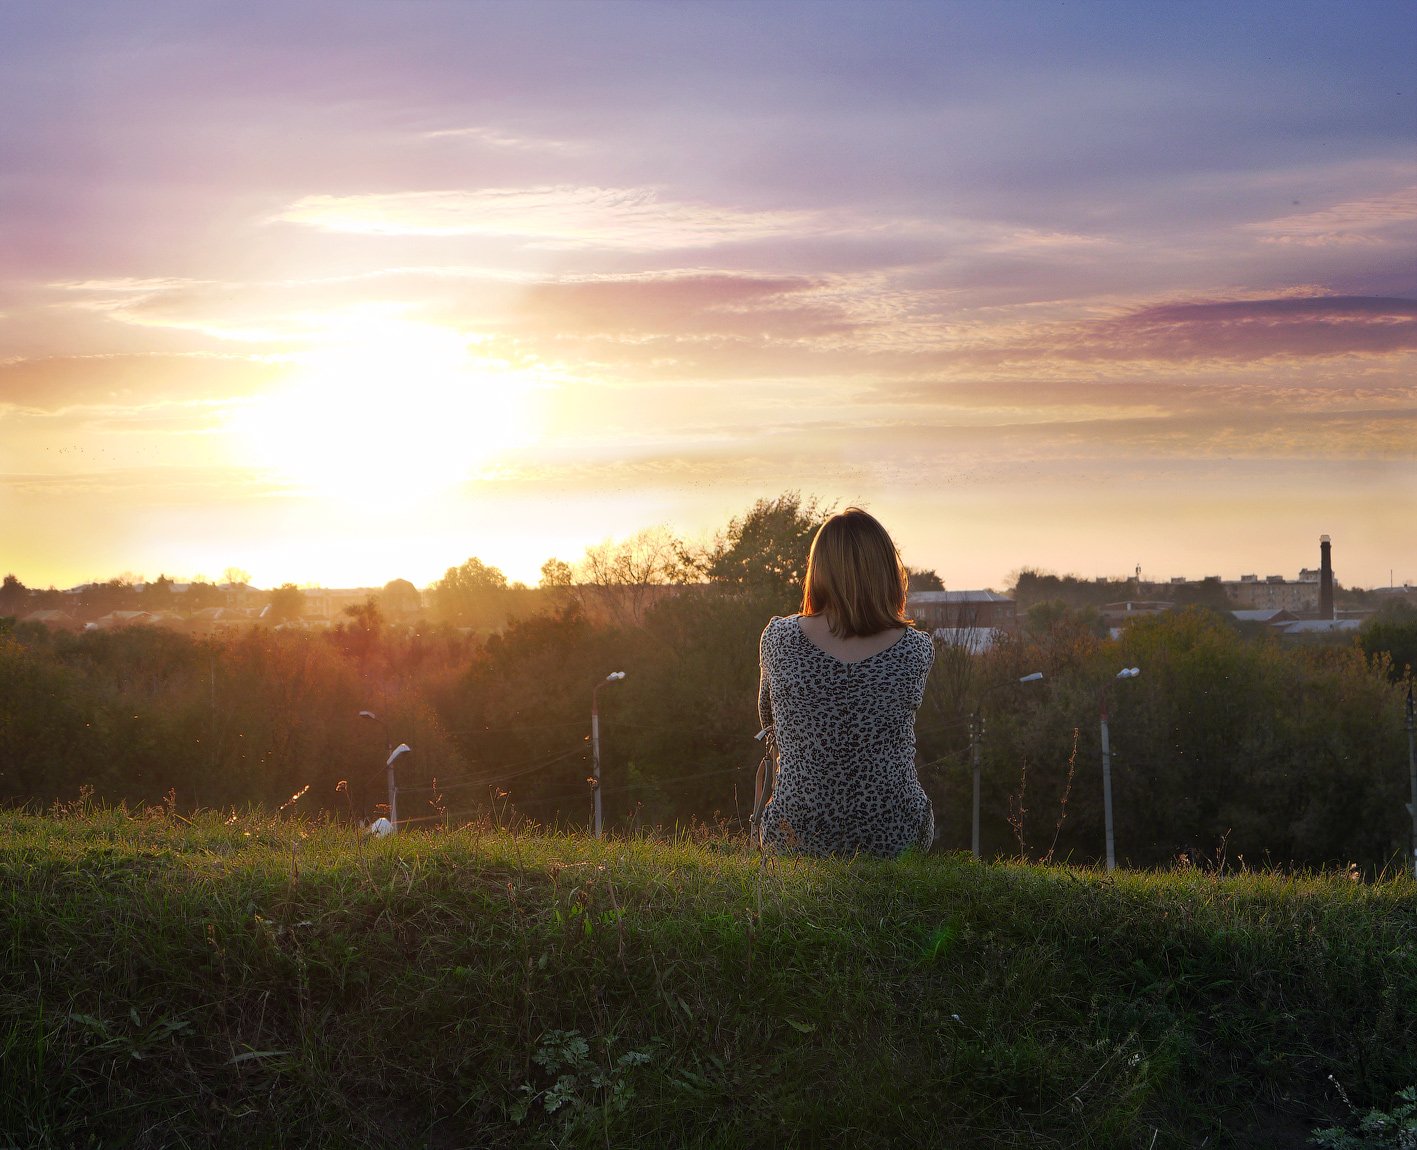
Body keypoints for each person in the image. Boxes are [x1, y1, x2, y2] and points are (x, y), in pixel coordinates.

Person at [752, 507, 935, 858]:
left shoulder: (778, 638)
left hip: (796, 835)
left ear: (818, 570)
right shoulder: (915, 648)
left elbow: (768, 720)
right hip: (893, 837)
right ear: (887, 572)